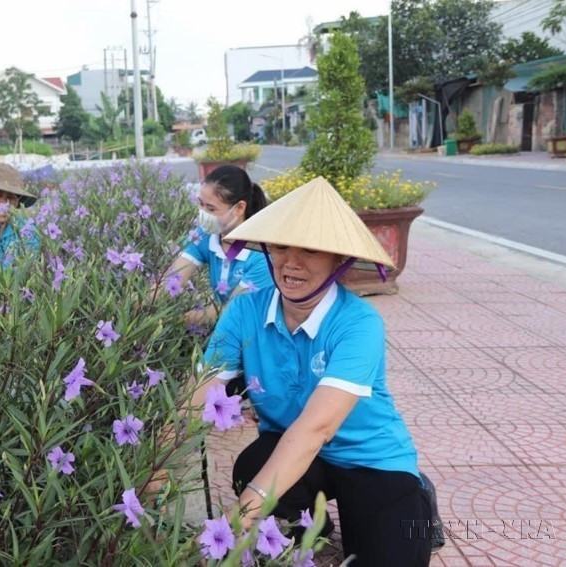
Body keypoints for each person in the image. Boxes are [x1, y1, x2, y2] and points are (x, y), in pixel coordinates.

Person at [162, 176, 436, 565]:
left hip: (369, 458)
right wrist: (156, 466)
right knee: (253, 468)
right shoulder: (244, 311)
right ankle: (313, 527)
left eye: (310, 249)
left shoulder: (358, 323)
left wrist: (241, 517)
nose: (291, 261)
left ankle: (419, 496)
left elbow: (317, 428)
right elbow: (200, 392)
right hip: (297, 452)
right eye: (280, 246)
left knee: (389, 554)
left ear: (339, 260)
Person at [157, 165, 273, 326]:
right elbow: (172, 280)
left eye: (211, 208)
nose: (203, 213)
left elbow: (230, 311)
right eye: (201, 204)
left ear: (239, 208)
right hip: (224, 330)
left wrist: (171, 321)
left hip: (255, 330)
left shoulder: (262, 254)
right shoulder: (204, 235)